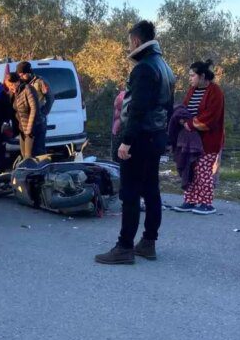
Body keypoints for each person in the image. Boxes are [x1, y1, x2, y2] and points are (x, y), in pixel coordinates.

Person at [95, 20, 175, 265]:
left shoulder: (143, 68)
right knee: (151, 190)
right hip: (156, 136)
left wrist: (126, 141)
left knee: (129, 193)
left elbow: (137, 108)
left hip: (139, 138)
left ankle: (124, 247)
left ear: (137, 41)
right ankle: (148, 242)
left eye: (130, 41)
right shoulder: (165, 67)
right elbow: (168, 107)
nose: (130, 45)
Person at [172, 60, 225, 215]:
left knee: (203, 170)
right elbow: (185, 108)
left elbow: (211, 116)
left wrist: (190, 124)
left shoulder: (215, 92)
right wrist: (180, 119)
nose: (190, 79)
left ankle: (207, 203)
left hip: (209, 140)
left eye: (192, 76)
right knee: (191, 169)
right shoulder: (192, 90)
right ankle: (190, 201)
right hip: (191, 140)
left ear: (202, 76)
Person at [17, 61, 52, 155]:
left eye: (23, 74)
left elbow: (50, 98)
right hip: (26, 121)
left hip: (39, 120)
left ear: (29, 72)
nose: (21, 77)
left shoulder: (40, 82)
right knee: (27, 152)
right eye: (19, 74)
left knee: (39, 150)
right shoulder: (21, 85)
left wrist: (43, 112)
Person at [7, 73, 42, 160]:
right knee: (24, 155)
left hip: (30, 128)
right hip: (22, 128)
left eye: (12, 84)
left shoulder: (28, 89)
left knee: (29, 156)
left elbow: (34, 108)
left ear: (18, 82)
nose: (11, 87)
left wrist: (30, 128)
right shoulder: (14, 93)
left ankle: (36, 172)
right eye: (9, 85)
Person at [110, 89, 126, 162]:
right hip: (118, 128)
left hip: (119, 128)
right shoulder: (123, 95)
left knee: (117, 154)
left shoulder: (123, 95)